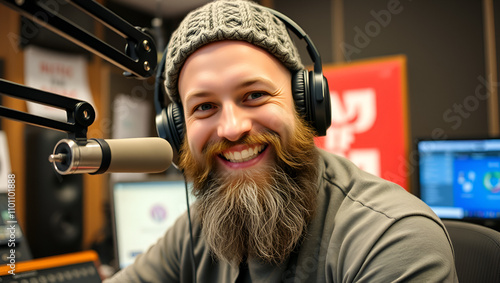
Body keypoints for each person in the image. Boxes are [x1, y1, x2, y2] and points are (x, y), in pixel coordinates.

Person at [104, 0, 457, 282]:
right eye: (205, 106)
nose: (230, 127)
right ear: (177, 130)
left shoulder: (390, 239)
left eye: (254, 95)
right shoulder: (197, 231)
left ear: (305, 103)